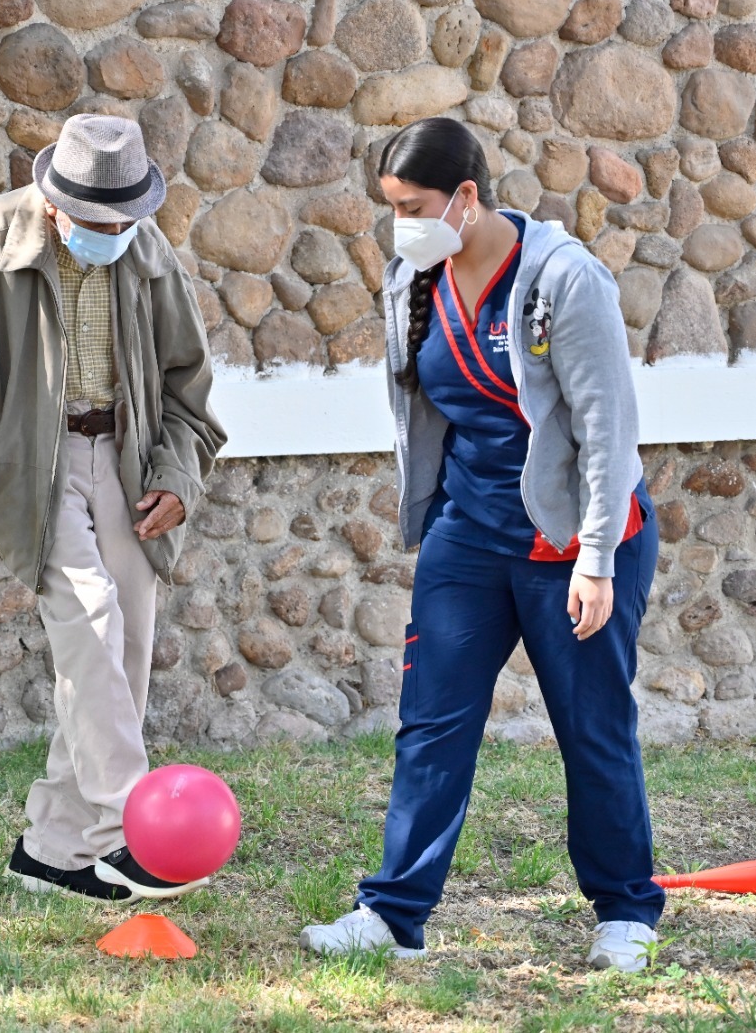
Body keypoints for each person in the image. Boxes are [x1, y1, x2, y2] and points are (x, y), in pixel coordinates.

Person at [298, 118, 662, 971]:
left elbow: (609, 429)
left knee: (592, 726)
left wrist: (598, 559)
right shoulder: (414, 276)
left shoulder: (565, 280)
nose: (401, 226)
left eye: (414, 207)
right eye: (391, 209)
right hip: (469, 533)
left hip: (569, 536)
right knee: (431, 723)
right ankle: (392, 912)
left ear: (466, 197)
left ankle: (625, 913)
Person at [0, 115, 227, 903]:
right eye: (96, 223)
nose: (112, 235)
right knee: (89, 617)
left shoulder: (145, 247)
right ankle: (135, 827)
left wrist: (174, 473)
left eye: (123, 222)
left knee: (123, 647)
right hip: (29, 462)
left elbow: (188, 391)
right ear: (54, 201)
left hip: (126, 461)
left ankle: (52, 850)